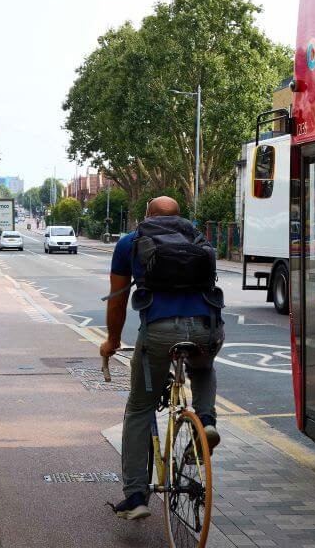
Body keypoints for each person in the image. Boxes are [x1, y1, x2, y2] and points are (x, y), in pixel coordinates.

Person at [101, 196, 224, 520]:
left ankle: (137, 496)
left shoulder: (130, 242)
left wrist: (113, 340)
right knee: (203, 366)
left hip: (158, 332)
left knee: (140, 407)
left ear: (147, 216)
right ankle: (207, 422)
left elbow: (117, 301)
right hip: (206, 328)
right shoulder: (198, 237)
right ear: (180, 217)